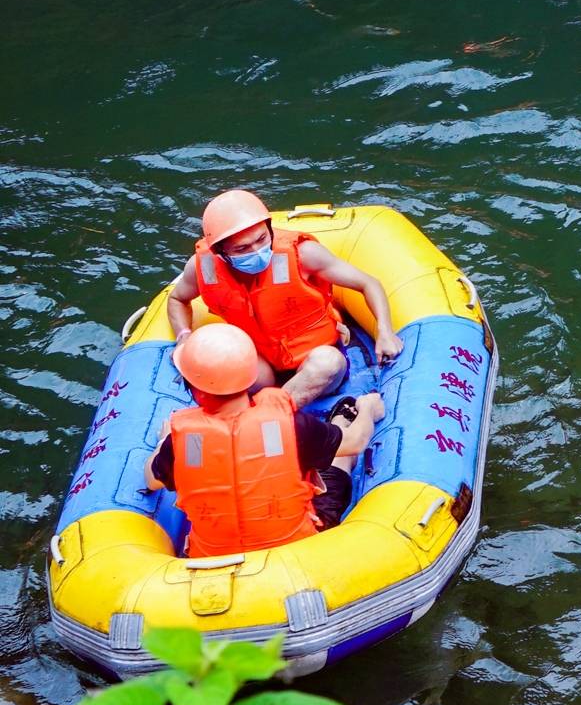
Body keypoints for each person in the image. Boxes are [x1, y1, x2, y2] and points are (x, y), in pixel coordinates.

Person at [143, 322, 382, 555]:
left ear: (194, 387)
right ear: (251, 376)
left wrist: (165, 441)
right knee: (337, 459)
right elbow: (355, 442)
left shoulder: (184, 440)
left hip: (215, 561)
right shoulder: (290, 426)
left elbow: (151, 481)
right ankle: (340, 421)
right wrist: (368, 409)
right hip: (295, 549)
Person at [166, 190, 403, 405]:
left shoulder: (304, 255)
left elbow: (368, 283)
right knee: (222, 361)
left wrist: (385, 331)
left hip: (316, 358)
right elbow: (177, 299)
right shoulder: (203, 268)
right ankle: (253, 414)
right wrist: (184, 337)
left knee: (327, 362)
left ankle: (264, 416)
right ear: (220, 252)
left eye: (261, 239)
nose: (256, 251)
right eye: (241, 249)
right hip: (260, 365)